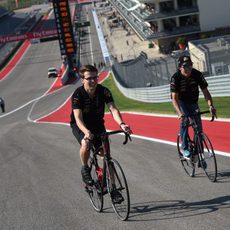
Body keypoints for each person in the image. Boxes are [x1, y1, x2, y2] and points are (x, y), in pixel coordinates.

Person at [70, 65, 132, 202]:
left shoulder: (104, 91)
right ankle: (85, 168)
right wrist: (86, 132)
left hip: (97, 124)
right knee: (86, 143)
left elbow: (113, 109)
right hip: (81, 125)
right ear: (82, 80)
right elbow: (78, 118)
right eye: (89, 78)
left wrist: (122, 124)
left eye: (95, 77)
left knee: (106, 156)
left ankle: (113, 189)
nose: (93, 81)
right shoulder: (78, 94)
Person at [170, 56, 216, 159]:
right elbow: (174, 98)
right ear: (179, 67)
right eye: (185, 66)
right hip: (181, 102)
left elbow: (205, 92)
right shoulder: (175, 78)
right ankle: (184, 147)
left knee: (198, 128)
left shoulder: (197, 74)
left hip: (193, 102)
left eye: (190, 65)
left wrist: (211, 106)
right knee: (185, 121)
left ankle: (198, 152)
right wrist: (180, 114)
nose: (188, 69)